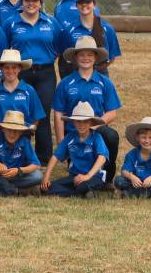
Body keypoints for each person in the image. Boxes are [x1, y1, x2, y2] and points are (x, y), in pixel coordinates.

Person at [52, 36, 122, 184]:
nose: (86, 58)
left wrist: (94, 125)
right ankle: (76, 169)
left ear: (96, 57)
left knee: (111, 136)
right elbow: (58, 113)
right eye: (82, 54)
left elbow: (112, 112)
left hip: (97, 129)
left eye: (90, 54)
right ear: (75, 57)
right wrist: (61, 141)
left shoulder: (105, 82)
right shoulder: (65, 83)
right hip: (73, 131)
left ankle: (107, 177)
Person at [4, 0, 60, 162]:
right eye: (28, 0)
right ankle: (21, 154)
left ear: (40, 3)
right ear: (22, 1)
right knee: (21, 113)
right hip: (22, 72)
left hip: (45, 73)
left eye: (35, 0)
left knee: (42, 114)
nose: (31, 3)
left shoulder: (51, 22)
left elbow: (59, 45)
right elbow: (4, 47)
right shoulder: (11, 22)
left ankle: (43, 158)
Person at [0, 49, 44, 157]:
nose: (10, 71)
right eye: (6, 67)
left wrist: (28, 130)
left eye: (14, 67)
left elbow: (37, 115)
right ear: (1, 69)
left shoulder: (29, 90)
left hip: (22, 137)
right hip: (0, 137)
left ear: (20, 69)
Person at [42, 102, 108, 198]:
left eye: (85, 121)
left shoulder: (96, 137)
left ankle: (79, 192)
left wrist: (87, 176)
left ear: (91, 122)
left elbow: (102, 158)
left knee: (83, 185)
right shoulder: (69, 137)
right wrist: (46, 177)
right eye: (78, 121)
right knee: (47, 188)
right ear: (73, 122)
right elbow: (55, 157)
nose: (81, 124)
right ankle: (83, 194)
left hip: (94, 176)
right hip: (74, 177)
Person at [57, 0, 121, 77]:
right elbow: (65, 57)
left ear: (94, 4)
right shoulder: (68, 30)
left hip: (100, 73)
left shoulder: (107, 28)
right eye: (80, 2)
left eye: (87, 2)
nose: (84, 5)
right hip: (75, 73)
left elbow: (112, 57)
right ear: (76, 5)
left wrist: (96, 70)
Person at [116, 117, 151, 198]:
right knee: (119, 180)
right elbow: (124, 171)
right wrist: (132, 177)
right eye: (143, 137)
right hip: (136, 183)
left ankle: (133, 193)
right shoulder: (131, 154)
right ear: (137, 138)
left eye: (150, 138)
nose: (147, 141)